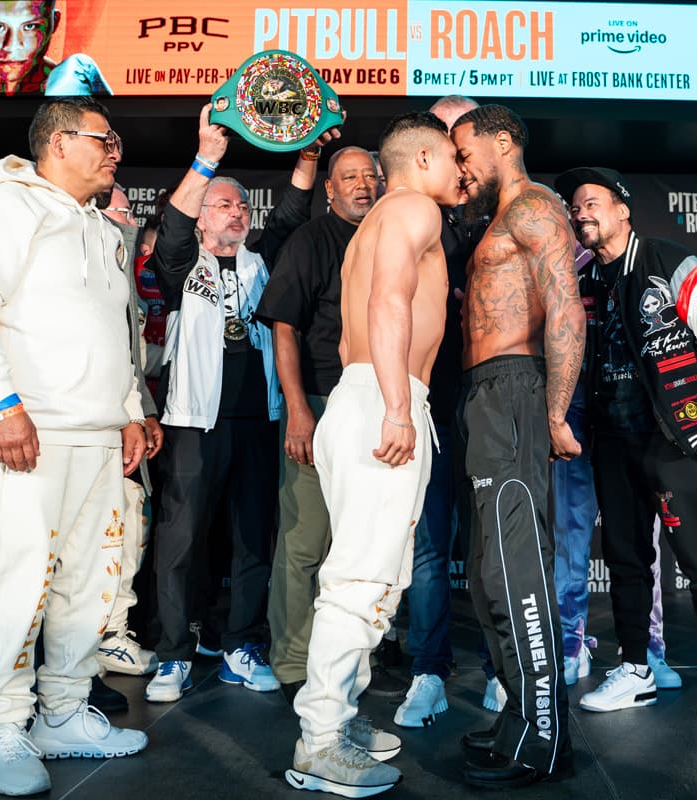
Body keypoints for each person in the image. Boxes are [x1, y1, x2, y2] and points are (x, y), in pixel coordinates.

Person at [0, 96, 147, 796]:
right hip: (28, 427)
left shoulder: (97, 226)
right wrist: (1, 403)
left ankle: (61, 712)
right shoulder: (4, 205)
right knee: (20, 579)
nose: (116, 151)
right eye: (104, 139)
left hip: (94, 435)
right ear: (59, 142)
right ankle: (2, 725)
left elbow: (109, 333)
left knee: (87, 586)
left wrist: (126, 411)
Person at [286, 110, 462, 798]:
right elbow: (390, 300)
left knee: (375, 583)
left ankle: (342, 719)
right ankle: (320, 741)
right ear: (420, 160)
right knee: (361, 582)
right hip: (379, 401)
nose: (461, 169)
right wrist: (396, 405)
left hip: (366, 399)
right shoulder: (414, 207)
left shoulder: (380, 222)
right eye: (451, 157)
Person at [143, 106, 333, 704]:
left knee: (255, 537)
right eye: (223, 205)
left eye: (242, 205)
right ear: (202, 218)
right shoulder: (181, 264)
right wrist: (208, 160)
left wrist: (307, 158)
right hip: (195, 421)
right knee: (182, 538)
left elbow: (295, 212)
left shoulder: (262, 261)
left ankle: (239, 647)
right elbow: (171, 227)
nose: (237, 212)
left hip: (260, 419)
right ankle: (173, 654)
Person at [555, 167, 697, 728]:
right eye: (574, 206)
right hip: (612, 439)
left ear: (623, 209)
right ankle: (635, 668)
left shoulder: (673, 262)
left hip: (670, 439)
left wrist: (695, 423)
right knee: (625, 556)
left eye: (591, 202)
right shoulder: (583, 276)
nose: (580, 212)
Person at [449, 104, 584, 788]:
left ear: (503, 142)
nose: (460, 164)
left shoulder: (533, 208)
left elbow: (564, 307)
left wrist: (556, 409)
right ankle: (518, 720)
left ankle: (544, 735)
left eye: (465, 149)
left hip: (514, 390)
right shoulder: (494, 217)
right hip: (484, 393)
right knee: (486, 574)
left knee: (515, 570)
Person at [258, 146, 380, 705]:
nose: (363, 184)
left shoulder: (390, 239)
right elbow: (284, 328)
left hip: (380, 408)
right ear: (328, 190)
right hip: (320, 402)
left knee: (361, 545)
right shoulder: (311, 240)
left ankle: (349, 661)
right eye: (349, 177)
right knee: (306, 542)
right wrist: (298, 409)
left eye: (371, 176)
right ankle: (291, 663)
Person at [395, 93, 500, 728]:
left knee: (491, 550)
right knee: (430, 549)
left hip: (490, 401)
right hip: (427, 400)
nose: (456, 152)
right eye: (444, 136)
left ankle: (499, 671)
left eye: (463, 135)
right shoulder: (408, 214)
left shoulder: (504, 212)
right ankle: (428, 673)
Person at [91, 183, 162, 703]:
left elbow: (133, 360)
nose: (129, 217)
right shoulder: (88, 267)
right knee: (97, 539)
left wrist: (145, 412)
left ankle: (113, 632)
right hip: (90, 427)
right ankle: (92, 641)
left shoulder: (122, 278)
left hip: (126, 421)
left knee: (130, 526)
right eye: (121, 208)